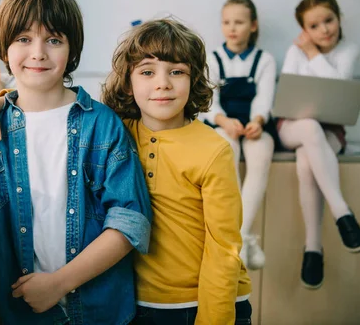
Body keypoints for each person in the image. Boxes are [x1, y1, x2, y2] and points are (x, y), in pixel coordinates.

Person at [0, 0, 153, 324]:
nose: (38, 52)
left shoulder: (102, 125)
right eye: (24, 39)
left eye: (53, 40)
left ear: (72, 49)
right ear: (3, 47)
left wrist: (57, 284)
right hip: (23, 314)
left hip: (100, 312)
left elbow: (130, 224)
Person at [102, 18, 252, 324]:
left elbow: (223, 249)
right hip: (139, 304)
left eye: (177, 72)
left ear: (194, 79)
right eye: (147, 72)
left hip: (208, 305)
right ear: (128, 82)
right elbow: (64, 111)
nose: (162, 83)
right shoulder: (116, 134)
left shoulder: (214, 150)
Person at [278, 0, 360, 289]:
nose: (324, 30)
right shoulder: (295, 50)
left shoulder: (349, 49)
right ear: (305, 30)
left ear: (339, 17)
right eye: (314, 26)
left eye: (328, 20)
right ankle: (342, 211)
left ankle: (313, 249)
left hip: (331, 132)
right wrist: (304, 53)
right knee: (308, 128)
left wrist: (313, 55)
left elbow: (339, 86)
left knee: (307, 160)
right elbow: (288, 93)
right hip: (291, 127)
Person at [201, 0, 277, 270]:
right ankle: (243, 239)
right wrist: (223, 120)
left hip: (255, 123)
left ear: (253, 25)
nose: (232, 28)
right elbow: (209, 100)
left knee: (260, 155)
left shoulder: (264, 59)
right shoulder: (213, 57)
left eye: (239, 22)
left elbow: (264, 98)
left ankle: (241, 238)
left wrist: (257, 120)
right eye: (226, 22)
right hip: (223, 123)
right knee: (225, 151)